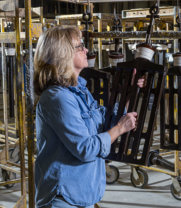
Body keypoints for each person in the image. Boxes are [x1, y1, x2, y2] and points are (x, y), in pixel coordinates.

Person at [34, 26, 143, 208]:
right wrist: (120, 128)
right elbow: (85, 148)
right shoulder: (58, 98)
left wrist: (130, 92)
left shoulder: (79, 90)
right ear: (63, 54)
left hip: (82, 195)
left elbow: (103, 121)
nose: (86, 50)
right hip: (63, 199)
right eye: (80, 46)